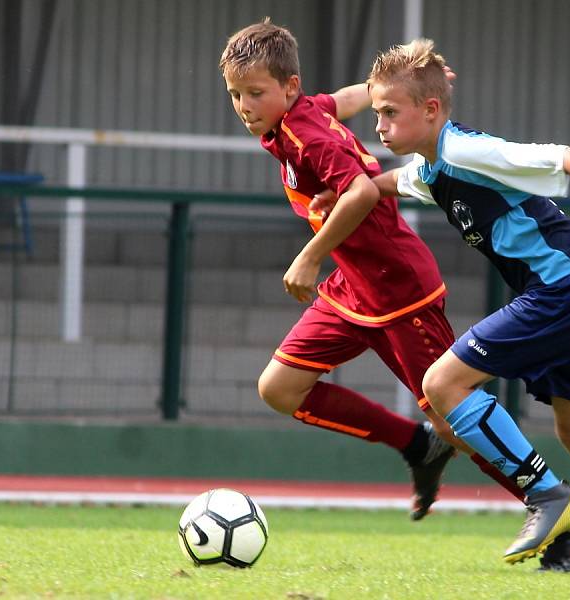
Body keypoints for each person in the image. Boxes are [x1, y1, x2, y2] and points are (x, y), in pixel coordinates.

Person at [358, 38, 570, 576]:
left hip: (563, 286)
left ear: (431, 110)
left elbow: (568, 158)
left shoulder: (466, 150)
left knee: (442, 384)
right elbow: (388, 183)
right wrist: (348, 193)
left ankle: (547, 497)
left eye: (390, 113)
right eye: (376, 113)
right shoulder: (431, 169)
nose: (379, 125)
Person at [218, 19, 530, 522]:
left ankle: (553, 506)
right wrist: (387, 82)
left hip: (400, 286)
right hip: (355, 287)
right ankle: (416, 446)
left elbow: (362, 191)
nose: (243, 106)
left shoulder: (307, 135)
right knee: (280, 388)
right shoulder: (301, 114)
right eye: (235, 94)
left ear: (289, 87)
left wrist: (309, 255)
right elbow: (345, 98)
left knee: (455, 417)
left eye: (255, 93)